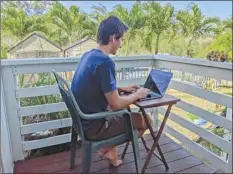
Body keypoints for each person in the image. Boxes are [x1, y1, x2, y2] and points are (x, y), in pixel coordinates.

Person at [71, 15, 152, 167]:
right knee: (147, 120)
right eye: (121, 40)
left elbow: (94, 85)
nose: (121, 44)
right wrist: (138, 94)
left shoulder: (88, 55)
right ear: (113, 37)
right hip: (95, 126)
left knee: (121, 115)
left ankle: (110, 152)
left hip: (81, 121)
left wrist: (121, 89)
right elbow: (115, 104)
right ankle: (107, 147)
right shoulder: (106, 62)